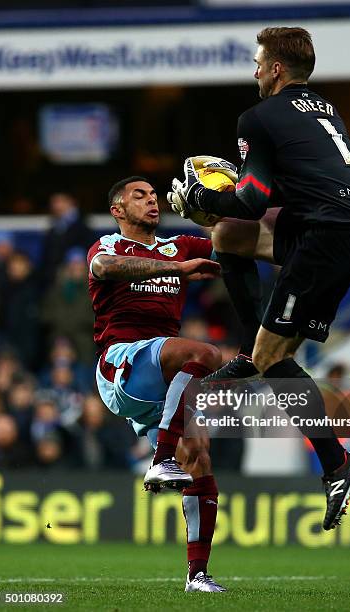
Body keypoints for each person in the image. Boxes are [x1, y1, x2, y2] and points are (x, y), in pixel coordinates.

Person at [168, 27, 350, 531]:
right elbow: (287, 187)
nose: (255, 70)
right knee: (228, 238)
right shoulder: (322, 108)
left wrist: (199, 200)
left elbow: (252, 198)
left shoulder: (257, 117)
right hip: (341, 227)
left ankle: (337, 465)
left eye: (259, 62)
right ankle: (248, 348)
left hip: (327, 237)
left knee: (272, 360)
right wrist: (221, 209)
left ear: (277, 69)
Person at [87, 176, 225, 592]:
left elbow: (235, 245)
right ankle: (160, 457)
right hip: (121, 362)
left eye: (154, 195)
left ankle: (197, 575)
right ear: (118, 210)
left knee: (198, 457)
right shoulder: (110, 247)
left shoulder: (180, 242)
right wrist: (177, 269)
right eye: (139, 196)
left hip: (159, 379)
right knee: (206, 354)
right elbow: (103, 269)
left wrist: (222, 205)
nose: (152, 201)